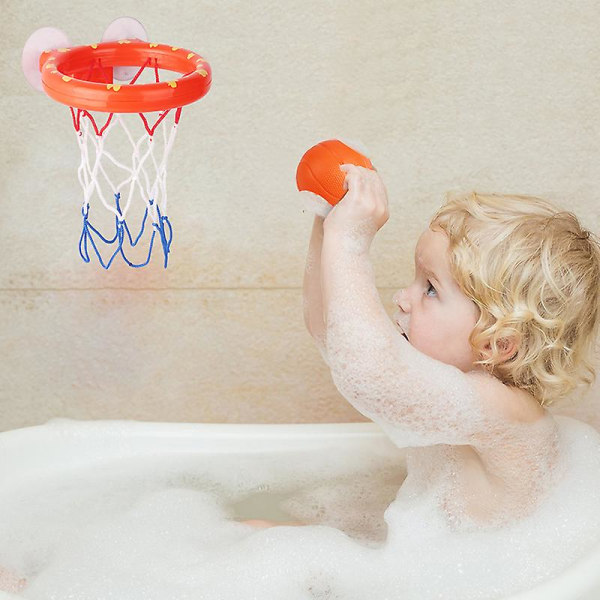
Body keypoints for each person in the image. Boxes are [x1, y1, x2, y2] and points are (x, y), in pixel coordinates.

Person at [299, 164, 600, 529]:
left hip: (477, 577)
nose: (401, 298)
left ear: (498, 341)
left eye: (430, 288)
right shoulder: (446, 384)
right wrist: (328, 221)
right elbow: (332, 334)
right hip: (433, 558)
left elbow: (372, 377)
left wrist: (350, 241)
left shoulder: (505, 410)